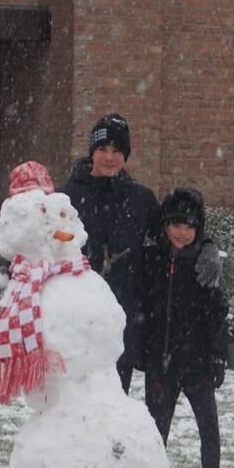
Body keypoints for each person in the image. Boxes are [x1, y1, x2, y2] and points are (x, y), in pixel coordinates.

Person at [57, 113, 220, 393]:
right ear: (91, 152)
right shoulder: (65, 198)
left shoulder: (140, 199)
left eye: (118, 150)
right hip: (76, 320)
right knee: (74, 404)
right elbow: (41, 242)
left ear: (126, 155)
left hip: (123, 319)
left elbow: (173, 236)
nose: (110, 157)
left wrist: (206, 246)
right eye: (103, 149)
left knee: (115, 400)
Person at [135, 187, 228, 468]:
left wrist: (217, 356)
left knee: (209, 428)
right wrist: (141, 349)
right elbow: (140, 307)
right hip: (162, 363)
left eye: (189, 226)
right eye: (176, 224)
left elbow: (217, 313)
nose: (182, 232)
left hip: (197, 362)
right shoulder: (151, 258)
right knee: (155, 433)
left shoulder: (204, 263)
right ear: (164, 225)